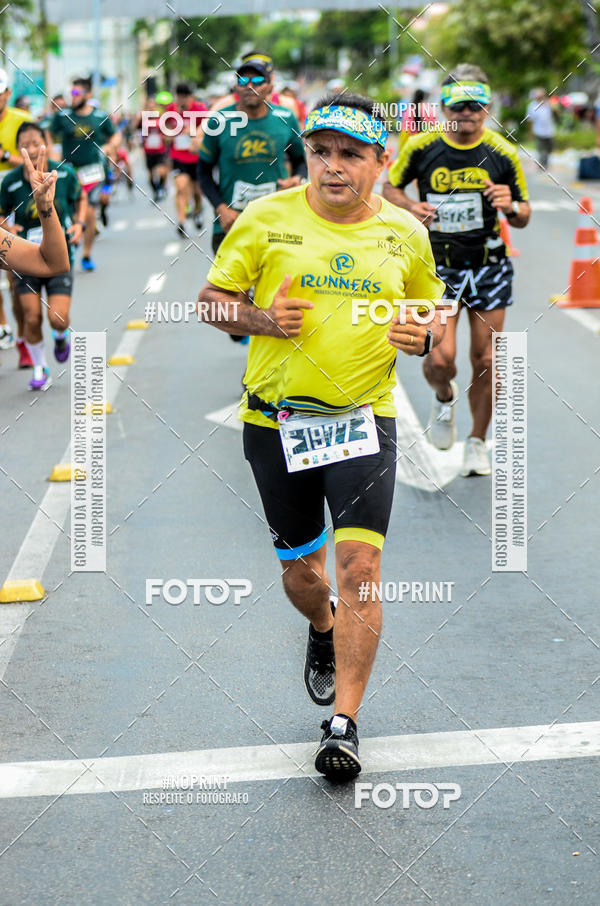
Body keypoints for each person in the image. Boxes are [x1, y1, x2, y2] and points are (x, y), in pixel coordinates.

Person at [197, 94, 447, 781]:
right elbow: (211, 304)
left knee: (361, 568)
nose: (332, 167)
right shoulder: (266, 218)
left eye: (350, 155)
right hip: (275, 424)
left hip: (363, 419)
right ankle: (321, 626)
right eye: (321, 152)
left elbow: (431, 308)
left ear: (381, 162)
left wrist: (426, 336)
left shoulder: (405, 233)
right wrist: (262, 319)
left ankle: (344, 722)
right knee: (304, 577)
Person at [383, 64, 531, 477]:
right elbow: (389, 189)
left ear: (486, 107)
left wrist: (510, 205)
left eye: (476, 105)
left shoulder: (503, 153)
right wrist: (412, 207)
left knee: (486, 358)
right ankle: (444, 397)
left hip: (488, 265)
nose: (467, 112)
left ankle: (478, 441)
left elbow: (524, 214)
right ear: (444, 106)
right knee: (440, 359)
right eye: (458, 104)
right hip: (437, 268)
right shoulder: (421, 146)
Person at [197, 51, 307, 342]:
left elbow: (301, 159)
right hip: (232, 223)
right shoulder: (220, 120)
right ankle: (247, 326)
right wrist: (222, 207)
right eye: (242, 79)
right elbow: (203, 172)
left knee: (273, 298)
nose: (249, 85)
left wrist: (297, 180)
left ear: (271, 86)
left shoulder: (285, 118)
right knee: (236, 308)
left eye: (257, 79)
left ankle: (258, 365)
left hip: (278, 222)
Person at [0, 122, 86, 390]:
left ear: (45, 141)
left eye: (35, 142)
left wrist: (52, 211)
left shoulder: (64, 174)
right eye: (24, 144)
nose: (32, 148)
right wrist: (8, 224)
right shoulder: (11, 182)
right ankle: (40, 366)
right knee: (31, 316)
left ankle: (60, 335)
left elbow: (54, 262)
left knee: (57, 317)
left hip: (39, 254)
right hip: (27, 256)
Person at [50, 77, 121, 271]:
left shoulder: (99, 116)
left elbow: (115, 134)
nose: (72, 97)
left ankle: (87, 254)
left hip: (91, 171)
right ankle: (69, 244)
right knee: (68, 213)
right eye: (71, 93)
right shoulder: (62, 116)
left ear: (88, 95)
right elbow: (49, 135)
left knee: (88, 212)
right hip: (68, 172)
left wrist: (110, 145)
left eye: (76, 93)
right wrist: (51, 152)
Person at [0, 68, 34, 359]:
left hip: (14, 198)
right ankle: (2, 326)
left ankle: (23, 337)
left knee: (14, 276)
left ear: (7, 94)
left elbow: (35, 159)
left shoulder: (22, 121)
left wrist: (3, 156)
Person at [166, 83, 206, 237]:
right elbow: (166, 129)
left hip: (196, 157)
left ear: (192, 97)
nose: (183, 100)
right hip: (178, 156)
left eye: (186, 97)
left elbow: (210, 128)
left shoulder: (200, 109)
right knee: (181, 187)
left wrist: (195, 132)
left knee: (197, 190)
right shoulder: (171, 110)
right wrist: (170, 134)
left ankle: (198, 209)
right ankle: (181, 222)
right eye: (180, 97)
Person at [136, 96, 169, 201]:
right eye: (148, 106)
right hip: (148, 150)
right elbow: (135, 128)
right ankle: (156, 191)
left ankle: (161, 187)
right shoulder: (143, 120)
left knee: (161, 171)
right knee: (150, 173)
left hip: (160, 149)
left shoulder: (161, 118)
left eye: (152, 106)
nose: (151, 108)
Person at [526, 89, 555, 170]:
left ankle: (545, 162)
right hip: (538, 131)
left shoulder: (549, 104)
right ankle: (542, 164)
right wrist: (530, 132)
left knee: (549, 149)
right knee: (541, 149)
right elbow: (530, 120)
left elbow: (555, 114)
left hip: (549, 131)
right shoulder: (532, 106)